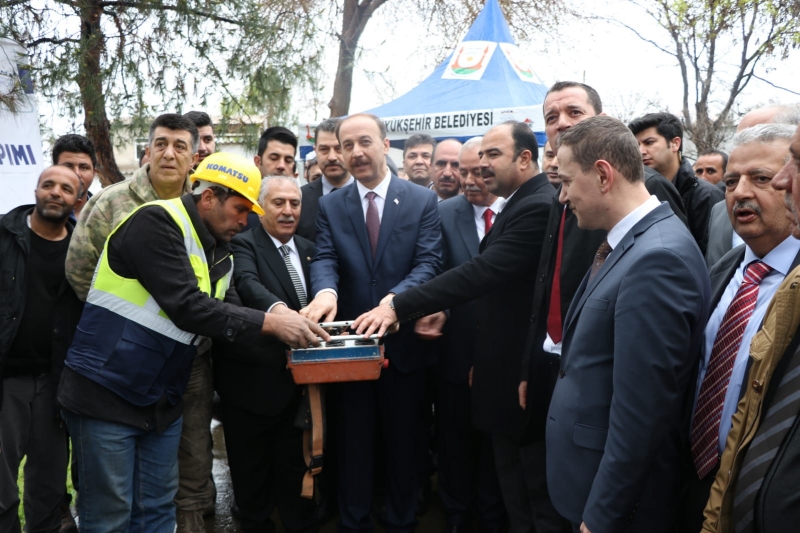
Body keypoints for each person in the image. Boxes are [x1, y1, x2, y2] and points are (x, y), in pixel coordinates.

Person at [57, 152, 328, 533]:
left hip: (162, 399)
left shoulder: (220, 249)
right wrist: (271, 322)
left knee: (157, 511)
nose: (245, 220)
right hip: (107, 392)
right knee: (110, 517)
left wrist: (289, 332)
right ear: (208, 198)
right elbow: (188, 306)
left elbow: (229, 311)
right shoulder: (156, 221)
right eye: (238, 209)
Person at [352, 121, 568, 533]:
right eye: (481, 155)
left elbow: (481, 273)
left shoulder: (538, 205)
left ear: (525, 159)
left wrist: (401, 305)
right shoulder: (520, 201)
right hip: (495, 367)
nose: (482, 166)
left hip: (519, 374)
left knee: (527, 497)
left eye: (492, 156)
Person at [545, 116, 710, 533]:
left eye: (566, 181)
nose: (562, 196)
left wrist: (602, 517)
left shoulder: (658, 259)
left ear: (603, 174)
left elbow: (641, 417)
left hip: (617, 507)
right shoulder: (628, 243)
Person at [518, 81, 686, 449]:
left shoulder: (646, 188)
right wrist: (529, 366)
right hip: (552, 365)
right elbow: (547, 280)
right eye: (551, 117)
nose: (561, 123)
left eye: (574, 112)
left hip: (603, 386)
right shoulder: (562, 190)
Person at [300, 113, 442, 533]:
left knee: (404, 445)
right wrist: (325, 291)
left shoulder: (420, 200)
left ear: (385, 144)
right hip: (352, 348)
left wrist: (395, 303)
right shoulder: (331, 204)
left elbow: (429, 262)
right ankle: (354, 520)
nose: (356, 153)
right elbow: (325, 257)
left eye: (365, 142)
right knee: (353, 444)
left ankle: (401, 520)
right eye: (347, 146)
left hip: (403, 347)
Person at [676, 124, 800, 532]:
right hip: (691, 481)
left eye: (760, 178)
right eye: (731, 181)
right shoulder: (721, 272)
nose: (740, 193)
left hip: (762, 497)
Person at [215, 175, 320, 533]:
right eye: (279, 203)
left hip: (302, 386)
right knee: (252, 476)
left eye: (295, 203)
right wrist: (283, 318)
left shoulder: (310, 248)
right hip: (252, 386)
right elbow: (247, 285)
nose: (288, 211)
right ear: (261, 208)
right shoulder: (242, 244)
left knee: (296, 469)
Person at [428, 136, 507, 533]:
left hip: (503, 359)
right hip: (454, 353)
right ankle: (456, 513)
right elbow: (432, 272)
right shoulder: (441, 215)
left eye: (480, 171)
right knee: (454, 440)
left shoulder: (522, 213)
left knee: (498, 446)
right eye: (464, 171)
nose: (471, 180)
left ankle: (492, 515)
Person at [0, 167, 84, 533]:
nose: (56, 192)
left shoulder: (84, 249)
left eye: (66, 189)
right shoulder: (4, 235)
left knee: (48, 484)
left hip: (56, 382)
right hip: (7, 379)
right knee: (1, 484)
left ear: (77, 200)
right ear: (35, 190)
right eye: (48, 185)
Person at [65, 113, 199, 301]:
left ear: (194, 159)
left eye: (180, 147)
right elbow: (79, 269)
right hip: (121, 324)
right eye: (161, 144)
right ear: (148, 152)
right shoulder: (109, 201)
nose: (169, 154)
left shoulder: (201, 207)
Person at [629, 111, 724, 254]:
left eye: (649, 142)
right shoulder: (636, 192)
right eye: (637, 145)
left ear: (675, 143)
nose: (641, 151)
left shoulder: (706, 195)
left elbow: (713, 256)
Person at [296, 119, 354, 242]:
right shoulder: (299, 198)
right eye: (324, 149)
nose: (332, 157)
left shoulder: (369, 195)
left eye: (338, 148)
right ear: (315, 150)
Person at [247, 126, 298, 230]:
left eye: (288, 160)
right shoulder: (243, 205)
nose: (281, 165)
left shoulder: (302, 210)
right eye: (274, 158)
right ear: (258, 162)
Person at [52, 133, 96, 220]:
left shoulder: (108, 215)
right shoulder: (38, 219)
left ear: (94, 173)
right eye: (68, 166)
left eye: (84, 167)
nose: (77, 174)